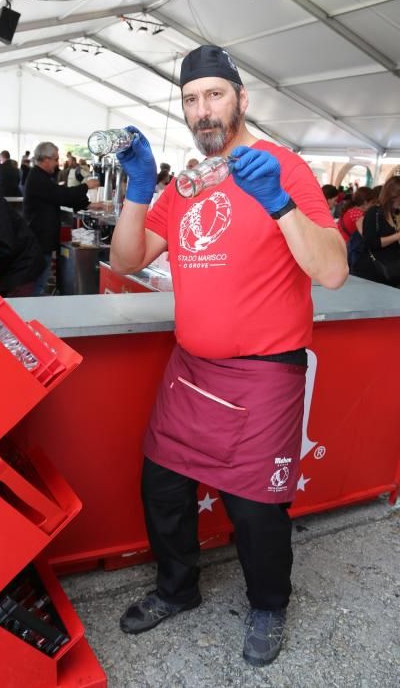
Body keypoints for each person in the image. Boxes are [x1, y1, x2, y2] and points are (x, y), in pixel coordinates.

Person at [110, 44, 348, 668]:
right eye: (190, 99)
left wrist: (281, 204)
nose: (202, 110)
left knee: (256, 506)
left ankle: (269, 604)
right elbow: (128, 260)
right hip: (193, 368)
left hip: (267, 368)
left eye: (214, 95)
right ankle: (177, 589)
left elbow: (332, 272)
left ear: (242, 99)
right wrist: (139, 190)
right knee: (161, 484)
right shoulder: (186, 185)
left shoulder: (284, 168)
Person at [23, 142, 99, 295]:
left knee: (40, 282)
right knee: (37, 285)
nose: (57, 163)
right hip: (39, 238)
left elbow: (59, 196)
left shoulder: (41, 176)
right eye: (56, 159)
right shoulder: (37, 178)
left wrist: (89, 205)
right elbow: (60, 195)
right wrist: (86, 186)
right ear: (45, 159)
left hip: (42, 238)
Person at [351, 176, 400, 287]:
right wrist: (397, 236)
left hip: (390, 271)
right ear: (392, 195)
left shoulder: (394, 214)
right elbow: (371, 242)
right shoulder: (374, 213)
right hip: (373, 272)